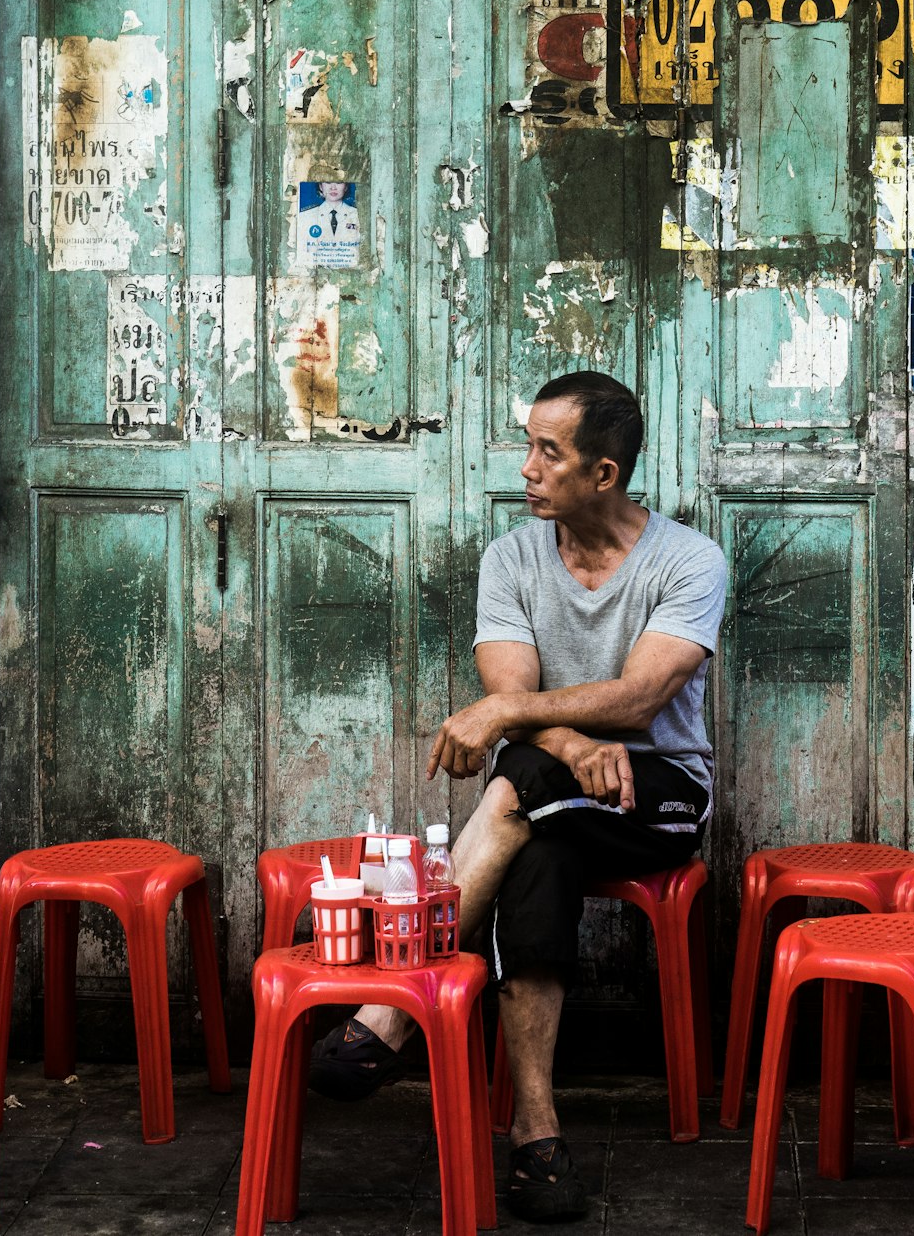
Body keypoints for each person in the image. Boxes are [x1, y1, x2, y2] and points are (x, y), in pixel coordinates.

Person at [310, 370, 727, 1222]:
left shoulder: (689, 560)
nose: (527, 467)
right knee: (540, 853)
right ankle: (536, 1133)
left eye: (548, 451)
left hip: (662, 798)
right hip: (552, 795)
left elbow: (642, 699)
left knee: (524, 782)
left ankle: (394, 1012)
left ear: (602, 473)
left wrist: (515, 719)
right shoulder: (513, 557)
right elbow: (515, 693)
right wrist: (564, 739)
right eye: (528, 445)